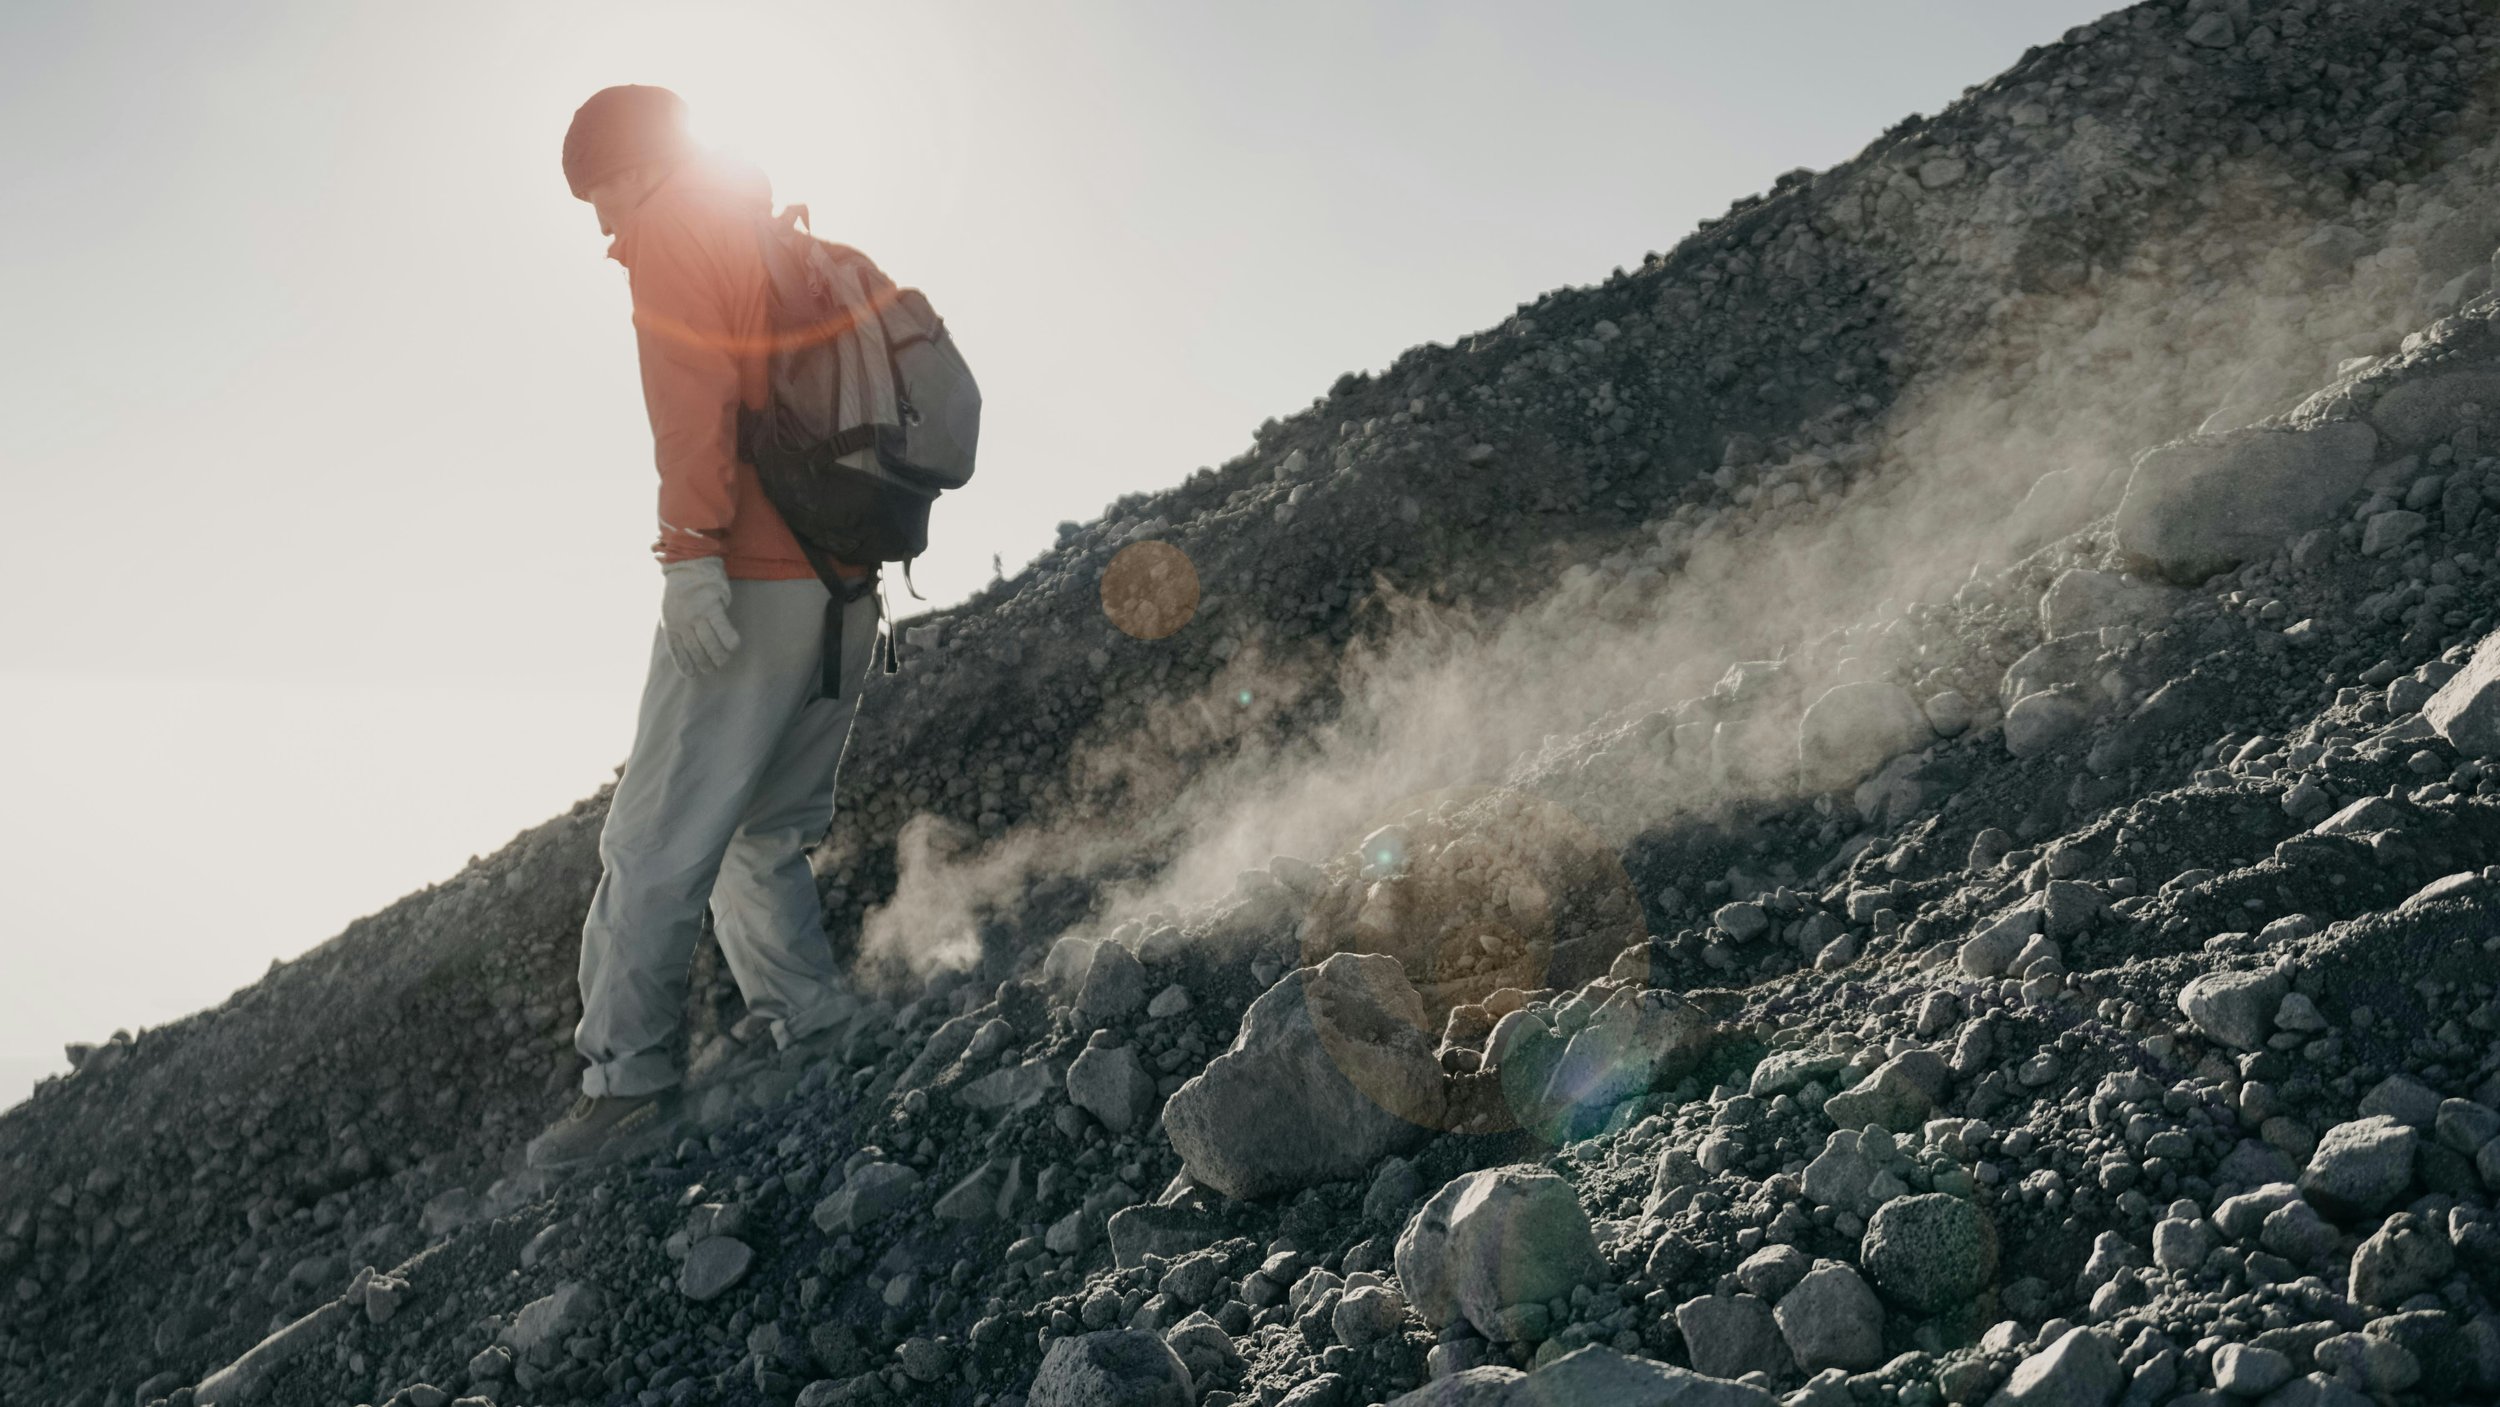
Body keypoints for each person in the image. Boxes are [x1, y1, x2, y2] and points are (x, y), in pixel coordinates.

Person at [527, 85, 880, 1170]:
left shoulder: (679, 230)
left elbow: (690, 404)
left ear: (634, 171)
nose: (606, 237)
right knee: (760, 830)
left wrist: (690, 558)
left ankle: (628, 1085)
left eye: (602, 206)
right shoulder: (793, 244)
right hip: (847, 588)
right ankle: (812, 1021)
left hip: (752, 579)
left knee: (650, 842)